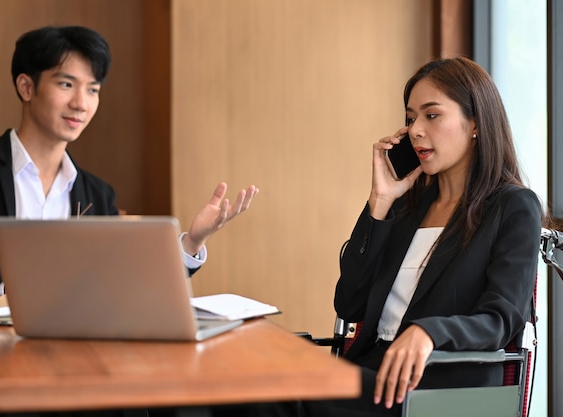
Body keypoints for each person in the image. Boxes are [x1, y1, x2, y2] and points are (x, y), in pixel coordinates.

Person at [211, 56, 545, 417]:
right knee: (229, 386)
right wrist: (380, 202)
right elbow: (350, 304)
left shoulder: (512, 206)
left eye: (431, 115)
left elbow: (501, 319)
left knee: (266, 393)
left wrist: (428, 332)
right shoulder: (406, 207)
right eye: (410, 118)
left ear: (475, 123)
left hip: (437, 383)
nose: (416, 130)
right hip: (370, 371)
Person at [0, 25, 258, 298]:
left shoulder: (97, 194)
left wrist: (192, 240)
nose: (81, 103)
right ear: (26, 86)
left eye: (93, 89)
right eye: (66, 84)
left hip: (78, 361)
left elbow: (127, 284)